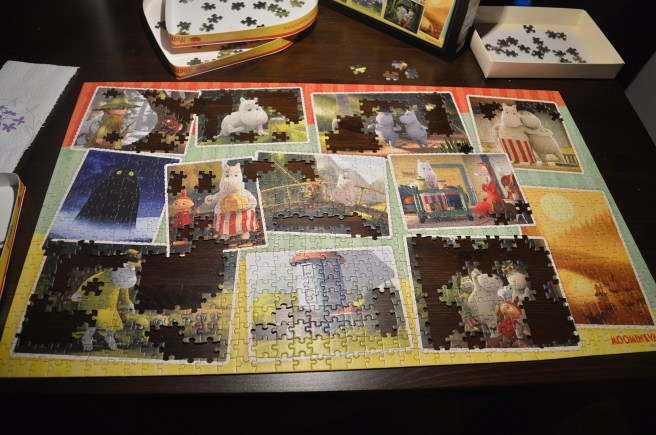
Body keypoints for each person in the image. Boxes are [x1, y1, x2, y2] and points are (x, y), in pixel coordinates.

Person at [71, 249, 142, 351]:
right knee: (94, 324)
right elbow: (88, 282)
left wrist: (129, 303)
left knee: (113, 323)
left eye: (132, 268)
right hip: (94, 305)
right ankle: (86, 338)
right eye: (127, 266)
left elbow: (124, 294)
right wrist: (78, 293)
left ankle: (109, 337)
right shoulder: (104, 276)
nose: (130, 270)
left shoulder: (121, 280)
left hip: (110, 307)